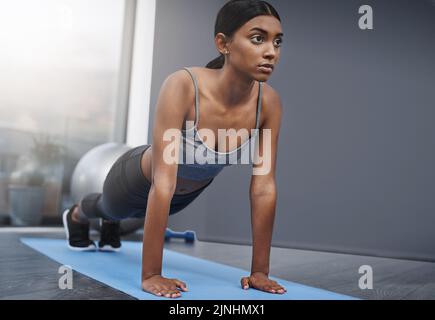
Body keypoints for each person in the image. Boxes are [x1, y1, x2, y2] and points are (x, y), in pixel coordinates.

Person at [62, 0, 286, 298]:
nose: (271, 51)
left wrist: (260, 272)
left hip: (184, 196)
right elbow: (163, 181)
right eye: (258, 39)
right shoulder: (183, 85)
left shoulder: (268, 102)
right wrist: (152, 273)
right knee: (109, 207)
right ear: (223, 43)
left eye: (277, 41)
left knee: (126, 215)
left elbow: (263, 187)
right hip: (137, 181)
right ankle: (77, 215)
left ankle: (110, 225)